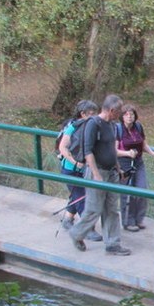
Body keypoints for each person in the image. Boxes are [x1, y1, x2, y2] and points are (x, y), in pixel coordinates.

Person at [69, 94, 131, 256]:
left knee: (111, 209)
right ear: (111, 110)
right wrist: (96, 174)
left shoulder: (112, 125)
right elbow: (88, 150)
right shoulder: (93, 124)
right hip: (97, 171)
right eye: (119, 111)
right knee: (94, 208)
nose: (121, 114)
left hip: (111, 172)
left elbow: (111, 149)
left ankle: (112, 244)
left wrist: (118, 168)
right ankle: (77, 233)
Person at [58, 99, 101, 241]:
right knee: (82, 198)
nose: (95, 115)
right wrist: (75, 162)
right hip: (70, 169)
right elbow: (62, 148)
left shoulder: (90, 127)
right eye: (91, 113)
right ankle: (87, 229)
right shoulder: (72, 127)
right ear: (82, 114)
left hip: (83, 168)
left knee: (77, 195)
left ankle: (68, 220)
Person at [115, 104, 154, 231]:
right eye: (127, 115)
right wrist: (127, 153)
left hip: (138, 162)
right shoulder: (118, 129)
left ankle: (138, 219)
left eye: (132, 114)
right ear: (122, 117)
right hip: (123, 164)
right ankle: (128, 221)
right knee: (127, 193)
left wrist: (152, 153)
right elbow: (114, 150)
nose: (130, 117)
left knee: (142, 189)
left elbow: (143, 144)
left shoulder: (138, 127)